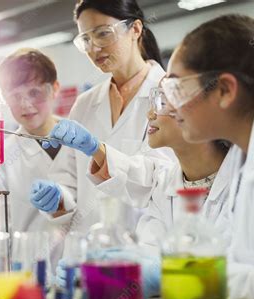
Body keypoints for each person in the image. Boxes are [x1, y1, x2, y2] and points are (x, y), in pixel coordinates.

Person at [53, 89, 232, 296]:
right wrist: (108, 268)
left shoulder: (243, 182)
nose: (150, 115)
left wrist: (166, 275)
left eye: (163, 102)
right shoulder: (165, 186)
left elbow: (243, 276)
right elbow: (150, 252)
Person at [30, 0, 174, 233]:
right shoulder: (85, 103)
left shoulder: (168, 94)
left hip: (141, 248)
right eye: (86, 39)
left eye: (103, 34)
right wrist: (57, 197)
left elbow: (166, 179)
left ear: (135, 29)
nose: (94, 48)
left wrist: (99, 150)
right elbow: (68, 179)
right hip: (87, 248)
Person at [161, 14, 254, 299]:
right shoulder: (240, 158)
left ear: (224, 90)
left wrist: (185, 274)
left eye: (177, 89)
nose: (170, 107)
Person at [0, 48, 71, 269]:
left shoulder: (82, 141)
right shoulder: (2, 156)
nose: (25, 105)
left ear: (55, 89)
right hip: (31, 272)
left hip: (83, 267)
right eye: (14, 96)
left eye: (34, 92)